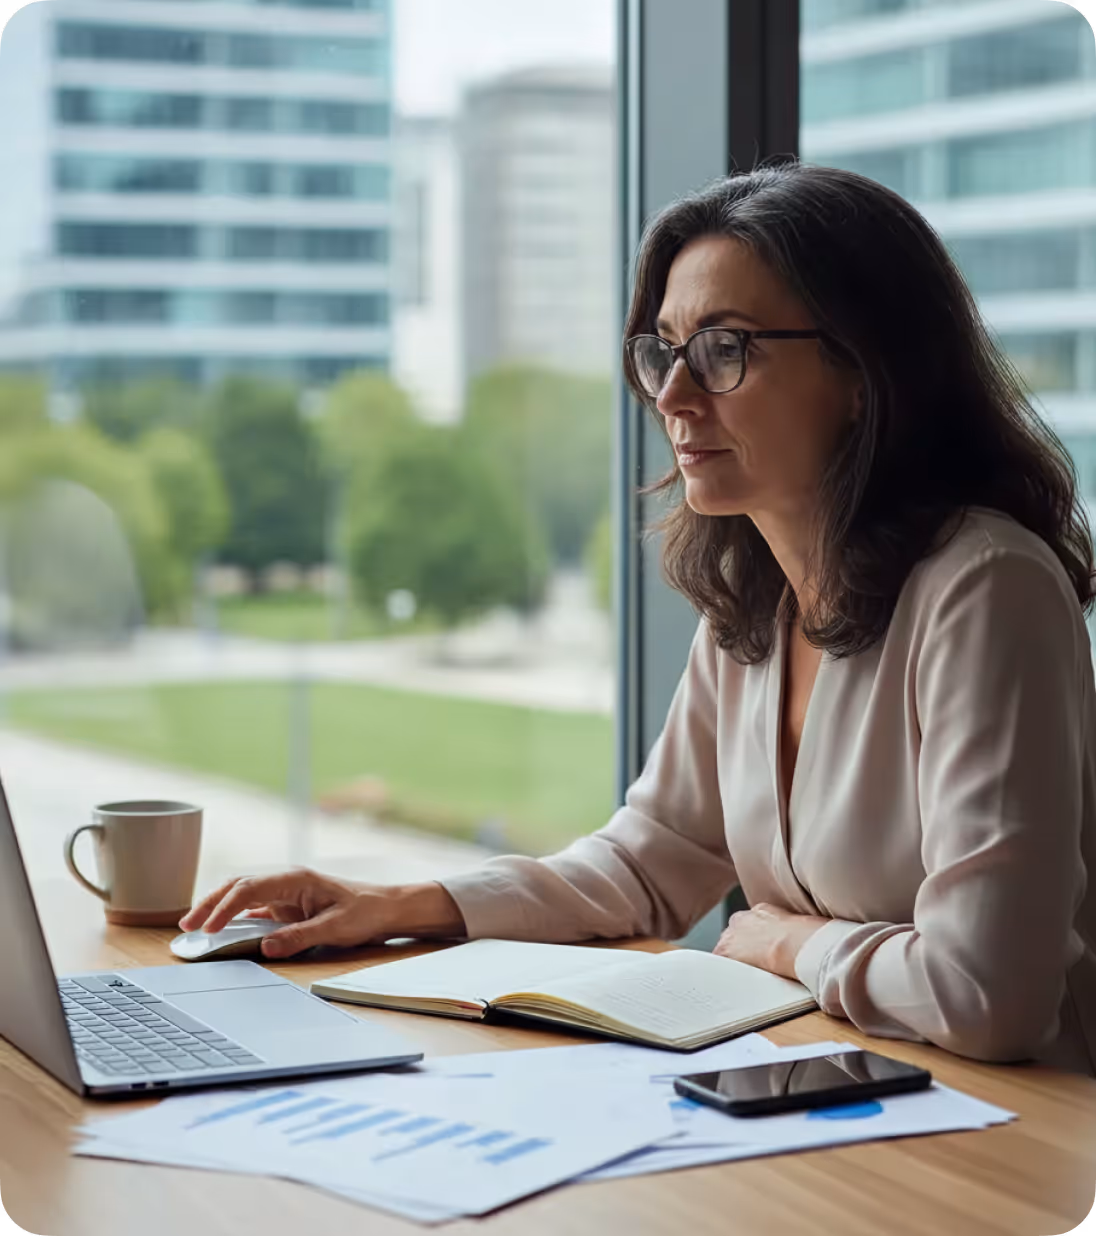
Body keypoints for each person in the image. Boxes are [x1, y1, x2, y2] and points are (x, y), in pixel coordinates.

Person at [181, 162, 1096, 1075]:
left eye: (725, 348)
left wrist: (788, 946)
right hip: (845, 1096)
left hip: (1008, 1140)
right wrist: (399, 905)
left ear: (864, 371)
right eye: (664, 350)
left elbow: (989, 995)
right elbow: (649, 863)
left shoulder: (985, 588)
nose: (673, 396)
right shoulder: (755, 600)